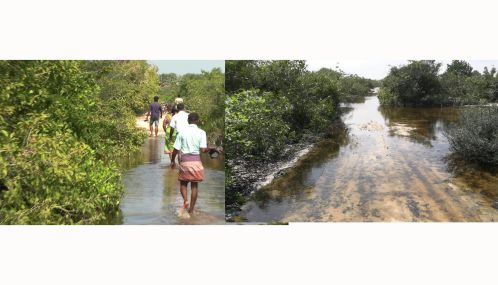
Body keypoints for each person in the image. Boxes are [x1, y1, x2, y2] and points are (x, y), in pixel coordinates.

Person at [171, 112, 211, 214]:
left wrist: (172, 160)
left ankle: (185, 200)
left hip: (185, 161)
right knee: (194, 186)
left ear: (188, 120)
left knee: (183, 183)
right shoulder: (202, 132)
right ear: (197, 121)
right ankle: (191, 210)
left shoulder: (182, 132)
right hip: (196, 161)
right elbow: (203, 150)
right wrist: (210, 149)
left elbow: (175, 149)